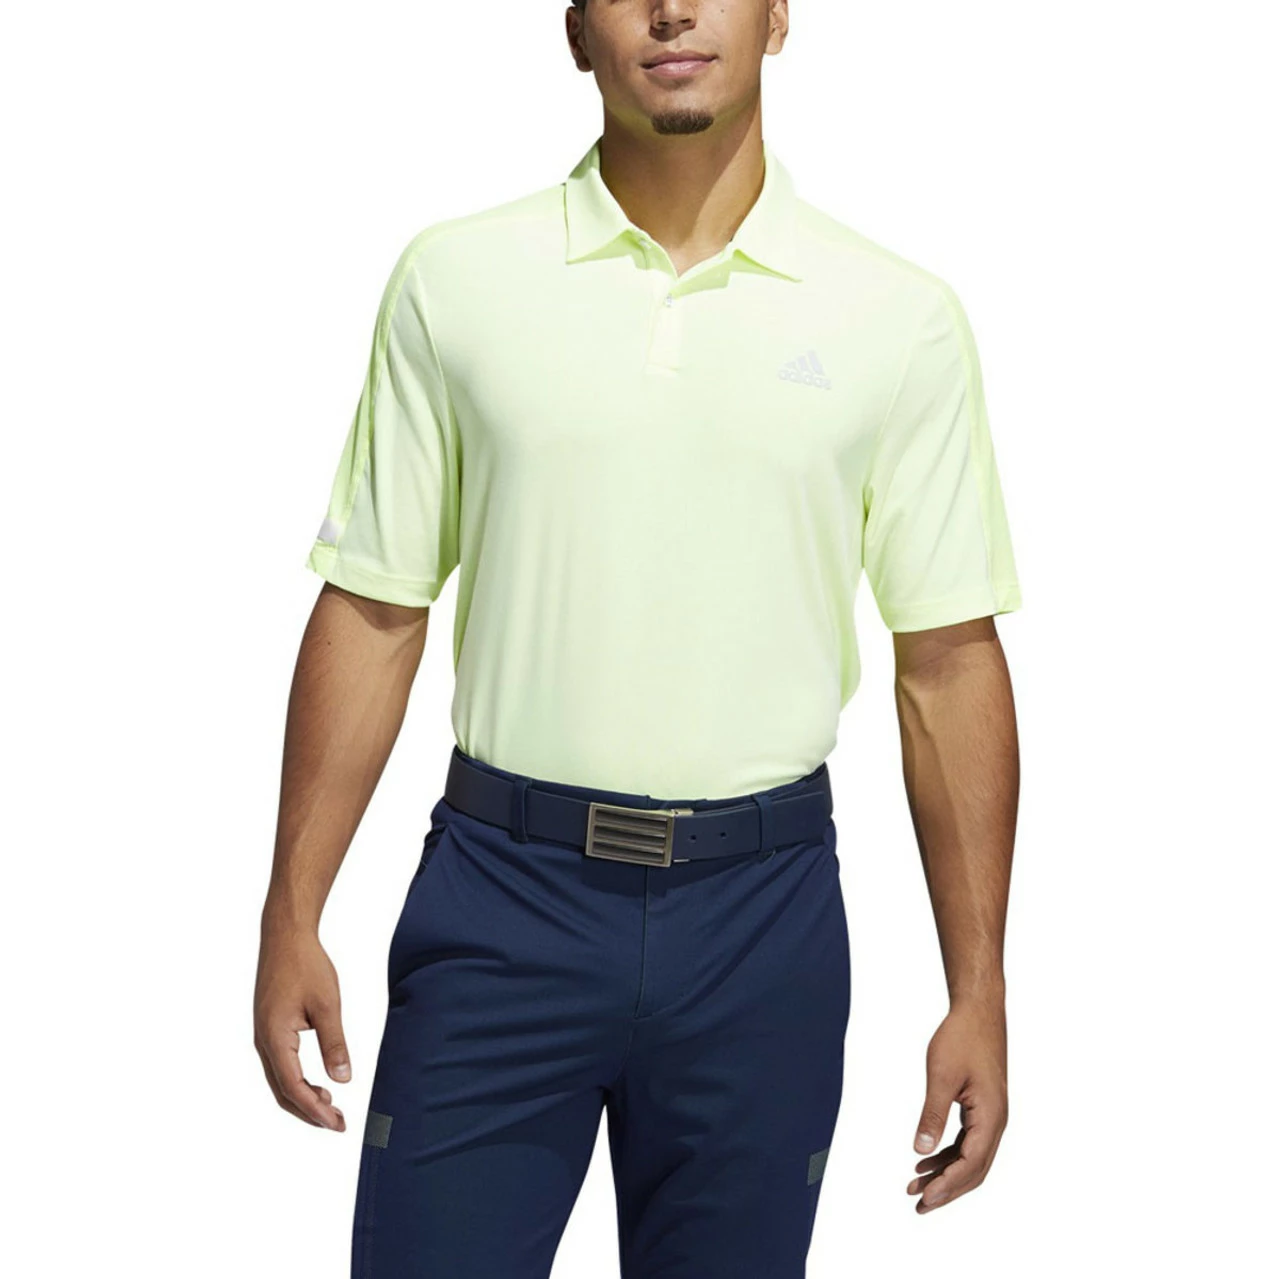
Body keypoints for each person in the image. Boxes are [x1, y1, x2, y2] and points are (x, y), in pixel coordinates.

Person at [253, 1, 1022, 1274]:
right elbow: (375, 608)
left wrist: (977, 990)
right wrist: (291, 909)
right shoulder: (457, 279)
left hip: (760, 918)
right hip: (503, 898)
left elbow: (945, 664)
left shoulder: (897, 316)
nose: (670, 7)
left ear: (777, 17)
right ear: (574, 31)